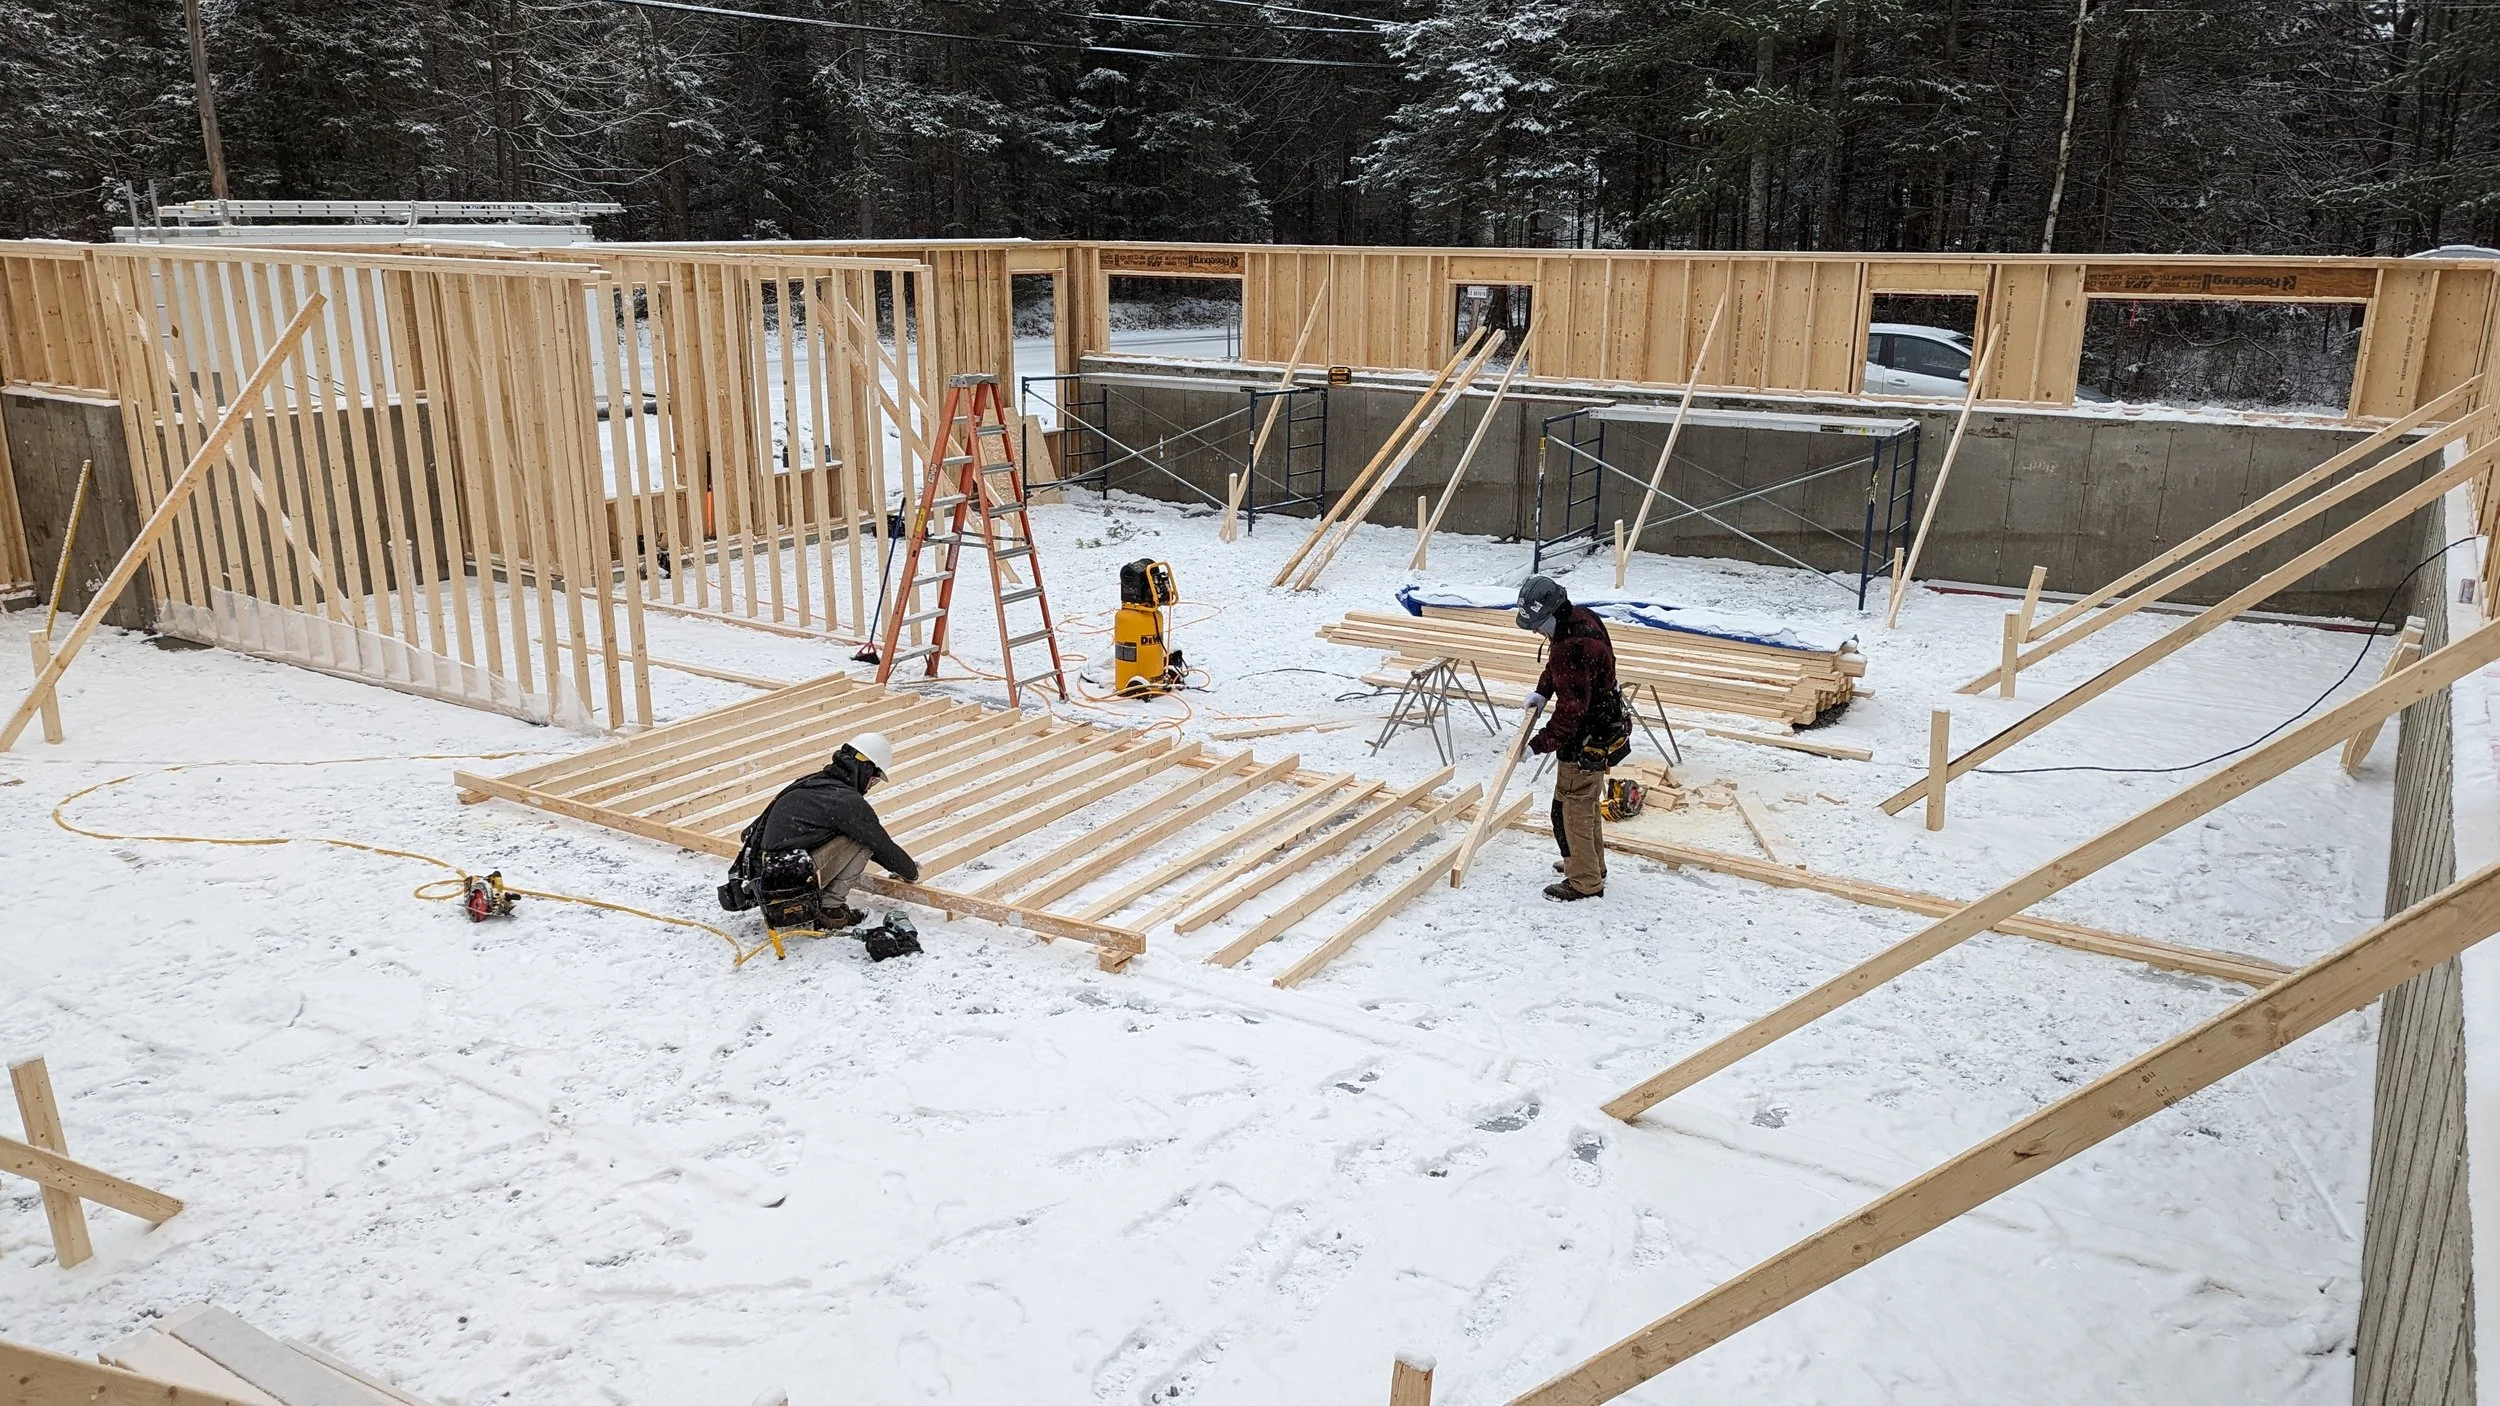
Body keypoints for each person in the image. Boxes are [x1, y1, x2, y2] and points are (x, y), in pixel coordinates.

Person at [1516, 576, 1626, 901]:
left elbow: (1570, 714)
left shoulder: (1572, 648)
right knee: (1586, 804)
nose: (1536, 631)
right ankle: (1590, 865)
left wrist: (1537, 745)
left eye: (1538, 624)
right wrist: (1541, 691)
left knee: (1569, 809)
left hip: (1585, 739)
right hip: (1604, 726)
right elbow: (1557, 666)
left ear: (1551, 613)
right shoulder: (1581, 618)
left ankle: (1584, 881)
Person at [740, 732, 920, 928]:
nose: (870, 787)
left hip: (763, 878)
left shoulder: (811, 782)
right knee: (862, 841)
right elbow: (881, 845)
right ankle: (830, 909)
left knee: (852, 833)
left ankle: (810, 899)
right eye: (874, 779)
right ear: (866, 771)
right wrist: (910, 872)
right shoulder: (845, 801)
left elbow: (747, 833)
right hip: (786, 885)